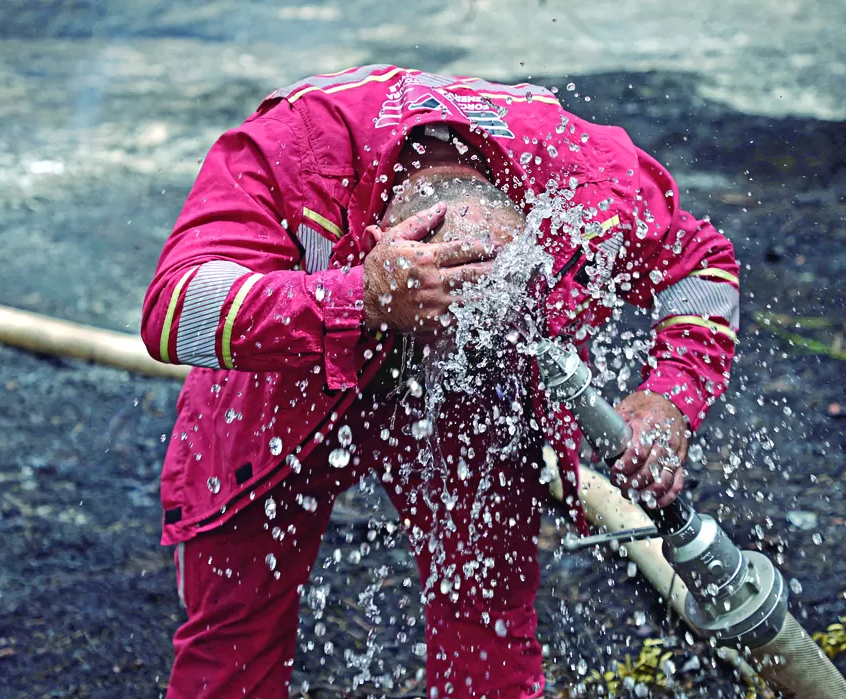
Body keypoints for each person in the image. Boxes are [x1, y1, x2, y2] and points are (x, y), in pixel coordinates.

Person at [141, 65, 740, 698]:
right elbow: (173, 309)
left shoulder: (585, 177)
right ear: (387, 238)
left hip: (482, 398)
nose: (437, 365)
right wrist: (358, 298)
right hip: (294, 372)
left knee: (486, 621)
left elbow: (703, 263)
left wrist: (671, 395)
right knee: (233, 634)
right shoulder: (295, 149)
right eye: (439, 328)